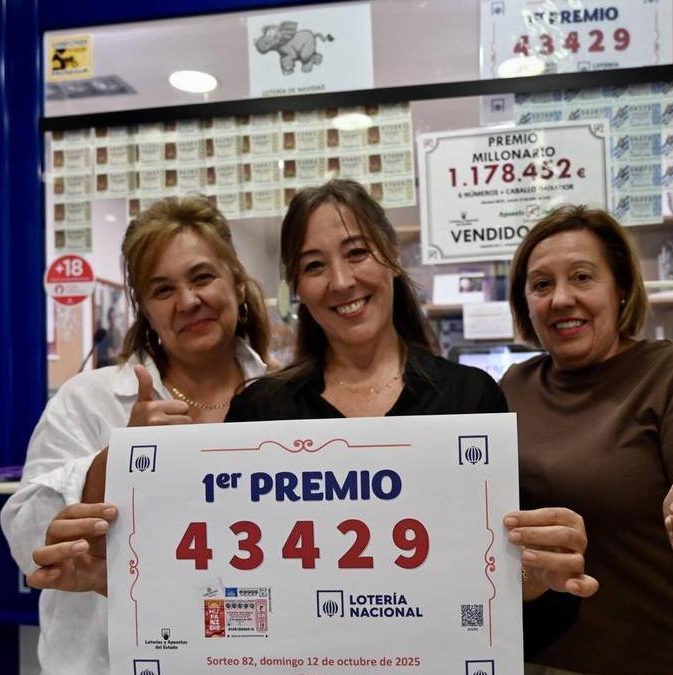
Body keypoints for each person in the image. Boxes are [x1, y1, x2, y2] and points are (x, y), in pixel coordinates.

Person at [225, 179, 600, 601]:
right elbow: (232, 571)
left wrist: (537, 573)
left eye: (357, 253)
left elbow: (507, 573)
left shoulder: (470, 400)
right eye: (314, 266)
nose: (341, 280)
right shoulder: (259, 413)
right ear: (296, 288)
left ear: (392, 258)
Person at [0, 196, 273, 675]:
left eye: (202, 277)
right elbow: (25, 538)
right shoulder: (89, 400)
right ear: (145, 309)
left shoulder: (289, 401)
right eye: (162, 289)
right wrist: (122, 459)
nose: (188, 301)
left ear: (236, 281)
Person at [501, 205, 673, 675]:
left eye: (582, 277)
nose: (561, 298)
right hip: (540, 659)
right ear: (525, 304)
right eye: (541, 284)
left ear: (621, 288)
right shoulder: (511, 388)